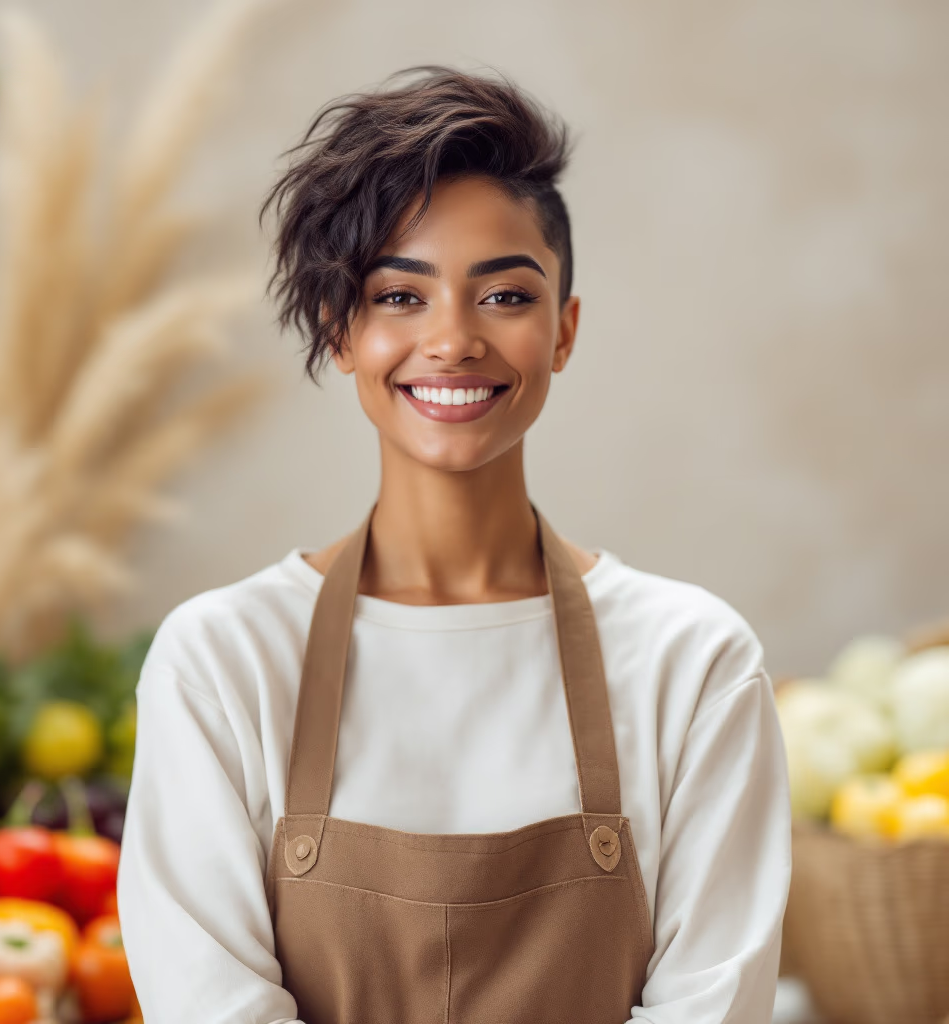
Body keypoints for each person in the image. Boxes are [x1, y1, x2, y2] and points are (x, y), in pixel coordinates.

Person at [117, 66, 791, 1024]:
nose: (453, 341)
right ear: (337, 327)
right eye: (400, 297)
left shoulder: (695, 660)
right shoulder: (222, 659)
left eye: (505, 296)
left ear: (563, 332)